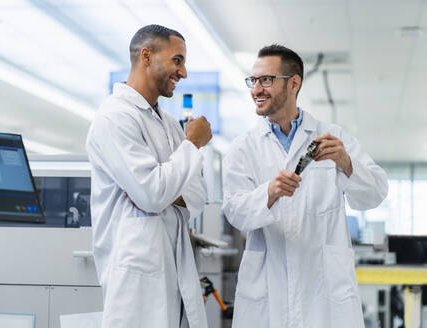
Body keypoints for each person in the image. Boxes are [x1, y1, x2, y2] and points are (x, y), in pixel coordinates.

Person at [222, 44, 388, 328]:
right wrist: (270, 193)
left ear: (293, 83)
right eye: (253, 80)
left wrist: (346, 163)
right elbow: (235, 212)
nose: (257, 89)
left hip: (323, 292)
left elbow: (375, 194)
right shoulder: (243, 148)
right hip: (267, 293)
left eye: (266, 80)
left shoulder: (333, 137)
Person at [86, 25, 212, 328]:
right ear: (147, 56)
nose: (184, 73)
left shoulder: (168, 123)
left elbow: (198, 194)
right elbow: (153, 194)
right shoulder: (114, 117)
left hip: (174, 275)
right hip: (136, 287)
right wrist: (191, 145)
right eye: (177, 60)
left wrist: (165, 187)